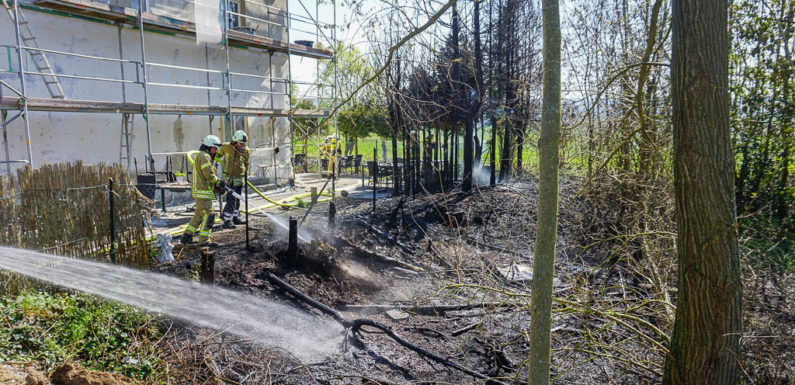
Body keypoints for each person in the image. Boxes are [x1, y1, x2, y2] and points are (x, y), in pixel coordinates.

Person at [181, 135, 225, 247]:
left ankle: (186, 237)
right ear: (208, 147)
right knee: (209, 216)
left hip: (199, 192)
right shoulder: (205, 156)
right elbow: (208, 174)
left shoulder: (201, 155)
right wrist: (218, 181)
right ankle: (204, 241)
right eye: (215, 148)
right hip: (203, 192)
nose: (216, 151)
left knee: (198, 216)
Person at [216, 130, 250, 229]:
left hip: (239, 178)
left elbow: (246, 163)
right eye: (240, 143)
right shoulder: (226, 147)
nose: (242, 145)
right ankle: (227, 220)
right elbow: (217, 155)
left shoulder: (246, 150)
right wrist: (216, 162)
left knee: (237, 199)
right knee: (231, 199)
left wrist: (244, 172)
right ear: (235, 141)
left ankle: (235, 217)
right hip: (228, 179)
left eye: (243, 143)